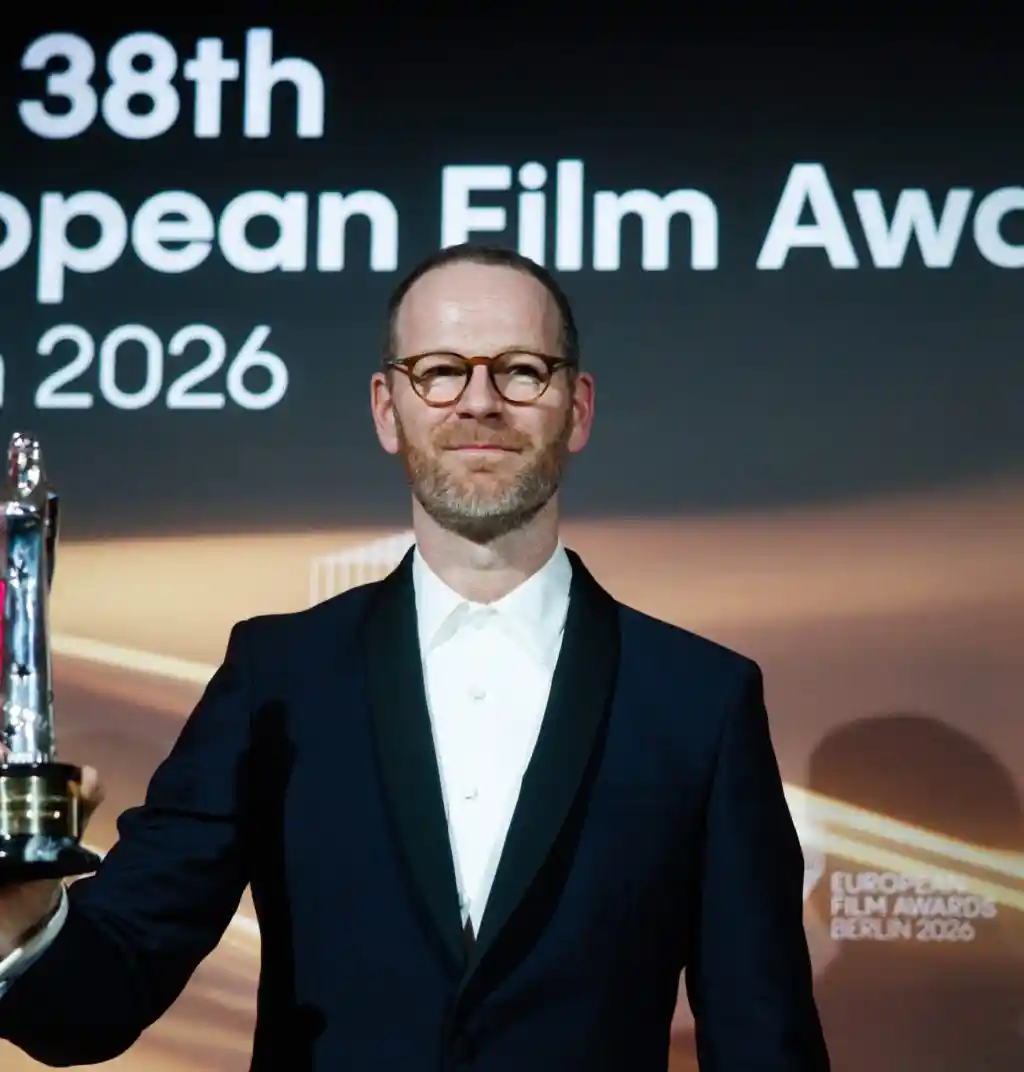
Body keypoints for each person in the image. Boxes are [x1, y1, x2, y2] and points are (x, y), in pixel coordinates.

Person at [0, 243, 830, 1070]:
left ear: (577, 408)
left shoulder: (699, 700)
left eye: (522, 371)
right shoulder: (277, 679)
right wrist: (22, 918)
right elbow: (99, 1001)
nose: (480, 401)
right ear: (387, 409)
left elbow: (763, 1039)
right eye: (439, 371)